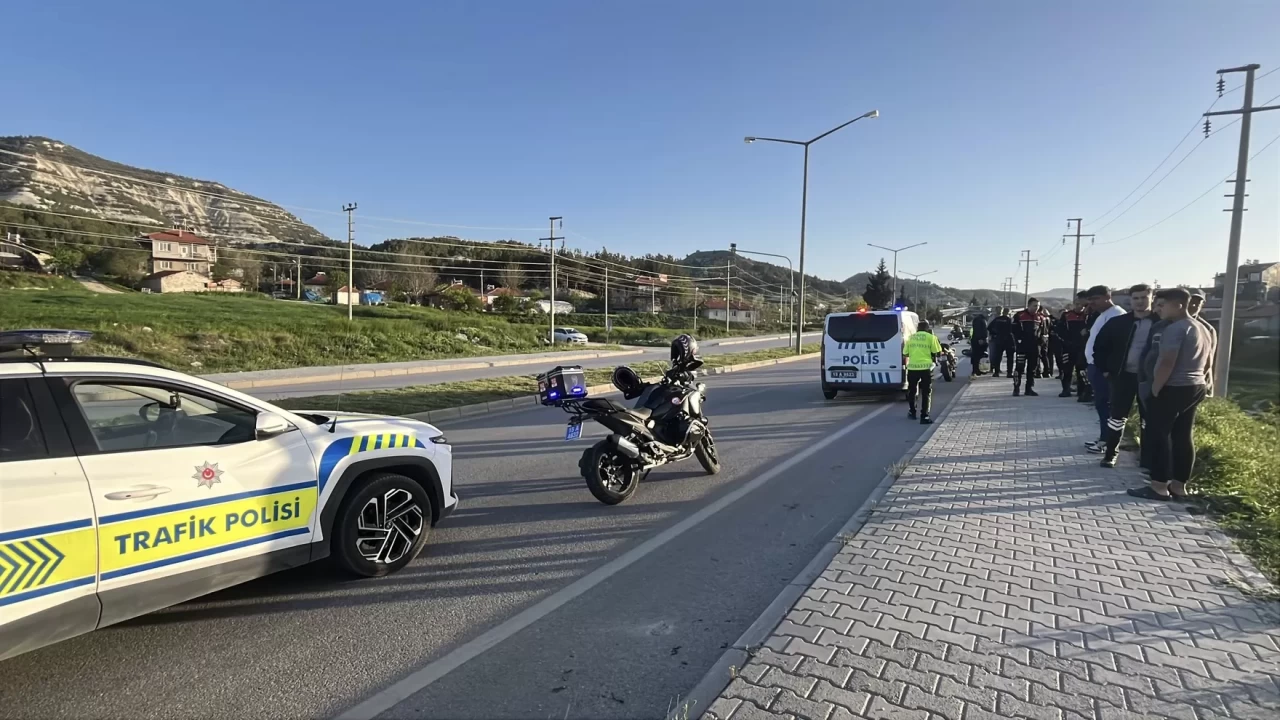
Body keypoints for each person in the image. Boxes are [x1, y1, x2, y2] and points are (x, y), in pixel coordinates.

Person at [1128, 287, 1213, 501]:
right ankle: (1179, 486)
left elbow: (1167, 361)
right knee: (1182, 436)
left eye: (1162, 305)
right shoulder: (1202, 328)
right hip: (1195, 385)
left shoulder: (1175, 328)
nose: (1158, 309)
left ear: (1179, 305)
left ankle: (1158, 486)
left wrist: (1156, 389)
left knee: (1158, 436)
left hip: (1173, 387)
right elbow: (1208, 363)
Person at [1092, 284, 1155, 467]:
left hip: (1150, 379)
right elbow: (1100, 347)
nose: (1140, 302)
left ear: (1152, 298)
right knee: (1117, 417)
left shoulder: (1161, 323)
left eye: (1144, 297)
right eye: (1136, 298)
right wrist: (1105, 370)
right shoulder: (1118, 323)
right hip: (1123, 376)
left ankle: (1147, 458)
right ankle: (1111, 454)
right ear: (1130, 300)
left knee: (1149, 418)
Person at [1083, 285, 1127, 452]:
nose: (1092, 303)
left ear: (1107, 297)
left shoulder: (1117, 315)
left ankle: (1107, 442)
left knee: (1106, 405)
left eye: (1096, 299)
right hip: (1095, 366)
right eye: (1090, 300)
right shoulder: (1103, 315)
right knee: (1101, 404)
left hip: (1104, 368)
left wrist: (1106, 368)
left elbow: (1115, 345)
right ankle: (1104, 437)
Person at [904, 320, 943, 424]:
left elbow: (905, 353)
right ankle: (924, 416)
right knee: (926, 392)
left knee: (912, 391)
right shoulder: (931, 337)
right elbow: (937, 352)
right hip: (925, 368)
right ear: (927, 328)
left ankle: (912, 412)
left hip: (912, 368)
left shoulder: (911, 338)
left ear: (918, 328)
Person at [1011, 299, 1046, 396]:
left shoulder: (1040, 317)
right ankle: (1016, 388)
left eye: (1038, 306)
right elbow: (1013, 330)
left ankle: (1029, 388)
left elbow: (1043, 331)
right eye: (1035, 306)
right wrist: (1019, 341)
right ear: (1029, 305)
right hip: (1022, 346)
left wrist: (1042, 341)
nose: (1037, 308)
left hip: (1035, 347)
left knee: (1032, 368)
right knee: (1019, 368)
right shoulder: (1019, 315)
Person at [1188, 290, 1218, 395]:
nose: (1193, 305)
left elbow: (1208, 360)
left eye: (1197, 303)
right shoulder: (1170, 323)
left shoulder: (1207, 329)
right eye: (1190, 301)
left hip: (1197, 383)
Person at [987, 308, 1015, 378]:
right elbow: (1014, 330)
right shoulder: (1010, 320)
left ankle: (996, 372)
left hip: (999, 339)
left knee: (998, 357)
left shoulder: (997, 319)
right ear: (1008, 313)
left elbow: (989, 328)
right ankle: (1009, 373)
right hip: (1009, 340)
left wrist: (995, 334)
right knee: (1010, 357)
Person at [1037, 306, 1054, 378]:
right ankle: (1047, 372)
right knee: (1045, 355)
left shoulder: (1039, 317)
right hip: (1046, 337)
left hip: (1040, 337)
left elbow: (1038, 328)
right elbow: (1050, 328)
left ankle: (1038, 372)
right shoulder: (1048, 318)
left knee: (1037, 355)